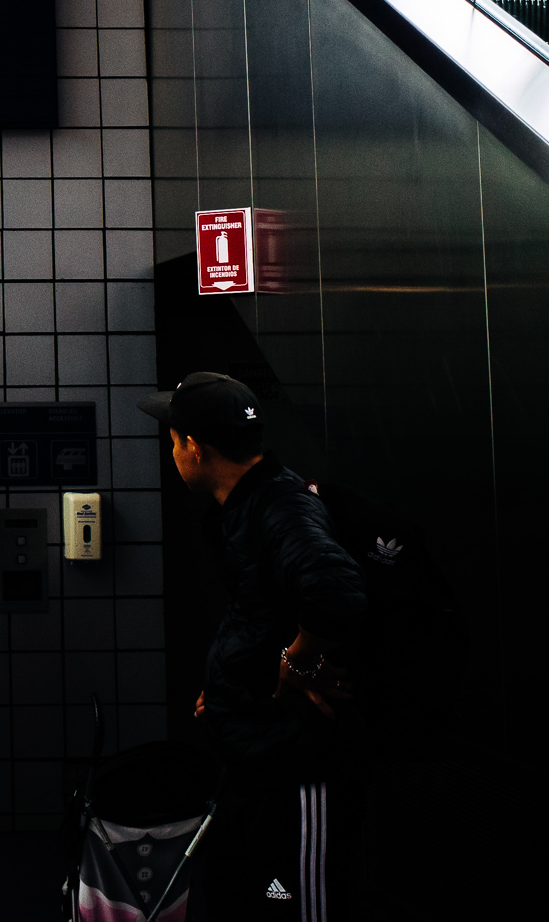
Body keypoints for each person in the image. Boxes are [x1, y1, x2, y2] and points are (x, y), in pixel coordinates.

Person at [140, 372, 367, 921]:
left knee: (297, 908)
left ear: (195, 448)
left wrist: (298, 659)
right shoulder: (242, 507)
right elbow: (261, 615)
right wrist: (227, 690)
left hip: (294, 766)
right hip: (253, 757)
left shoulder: (280, 506)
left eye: (173, 441)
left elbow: (336, 592)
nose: (173, 452)